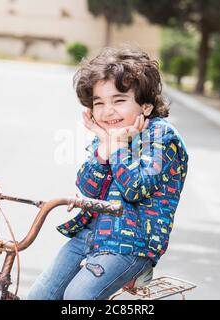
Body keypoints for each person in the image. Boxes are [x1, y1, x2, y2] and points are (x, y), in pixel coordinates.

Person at [27, 46, 189, 300]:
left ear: (145, 107)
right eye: (99, 103)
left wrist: (116, 147)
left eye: (119, 100)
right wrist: (104, 146)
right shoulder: (109, 137)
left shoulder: (161, 136)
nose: (107, 111)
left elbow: (135, 188)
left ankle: (135, 271)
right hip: (90, 235)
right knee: (40, 296)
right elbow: (88, 188)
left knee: (78, 297)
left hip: (131, 243)